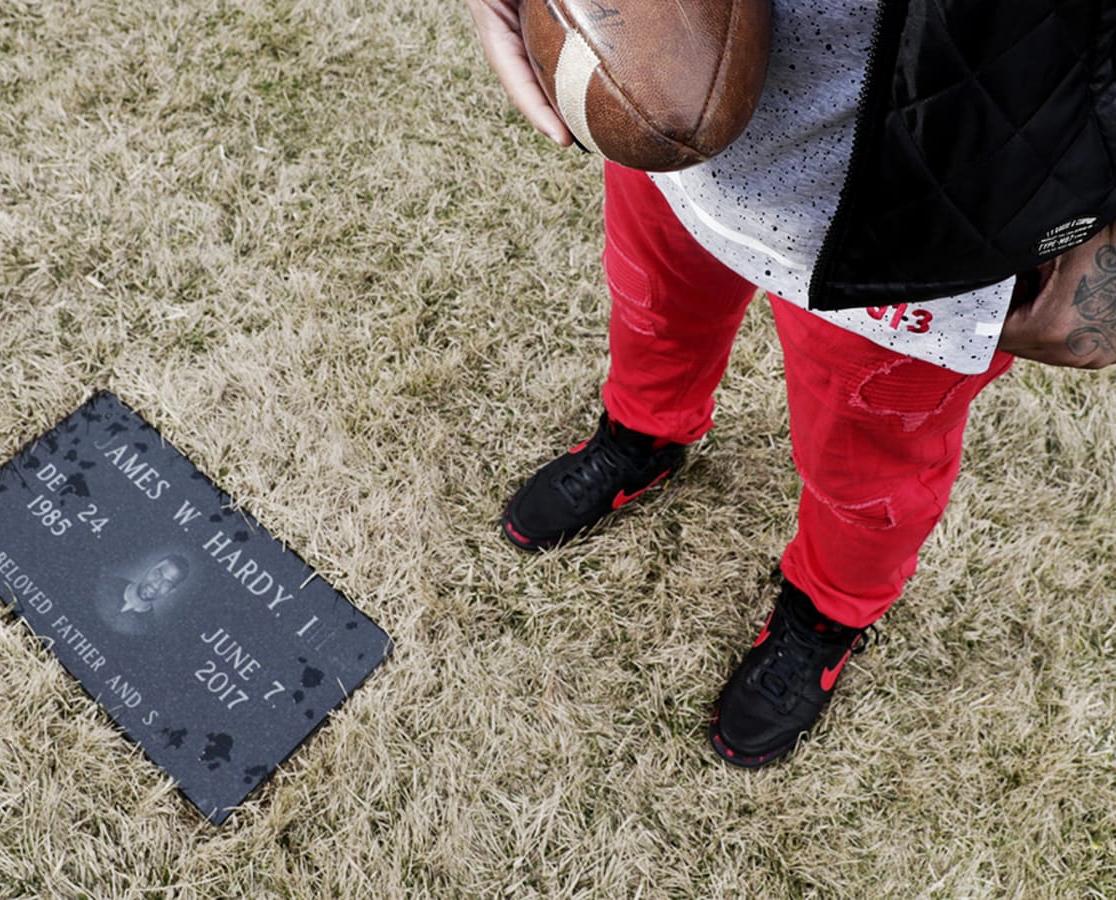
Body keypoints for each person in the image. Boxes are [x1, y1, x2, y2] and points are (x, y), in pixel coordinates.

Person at [467, 0, 1116, 766]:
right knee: (651, 314)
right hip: (676, 114)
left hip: (921, 217)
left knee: (869, 473)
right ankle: (641, 435)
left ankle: (827, 613)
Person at [94, 555, 191, 637]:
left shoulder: (147, 632)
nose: (156, 585)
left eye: (167, 583)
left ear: (170, 592)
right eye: (157, 573)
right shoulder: (103, 585)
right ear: (149, 569)